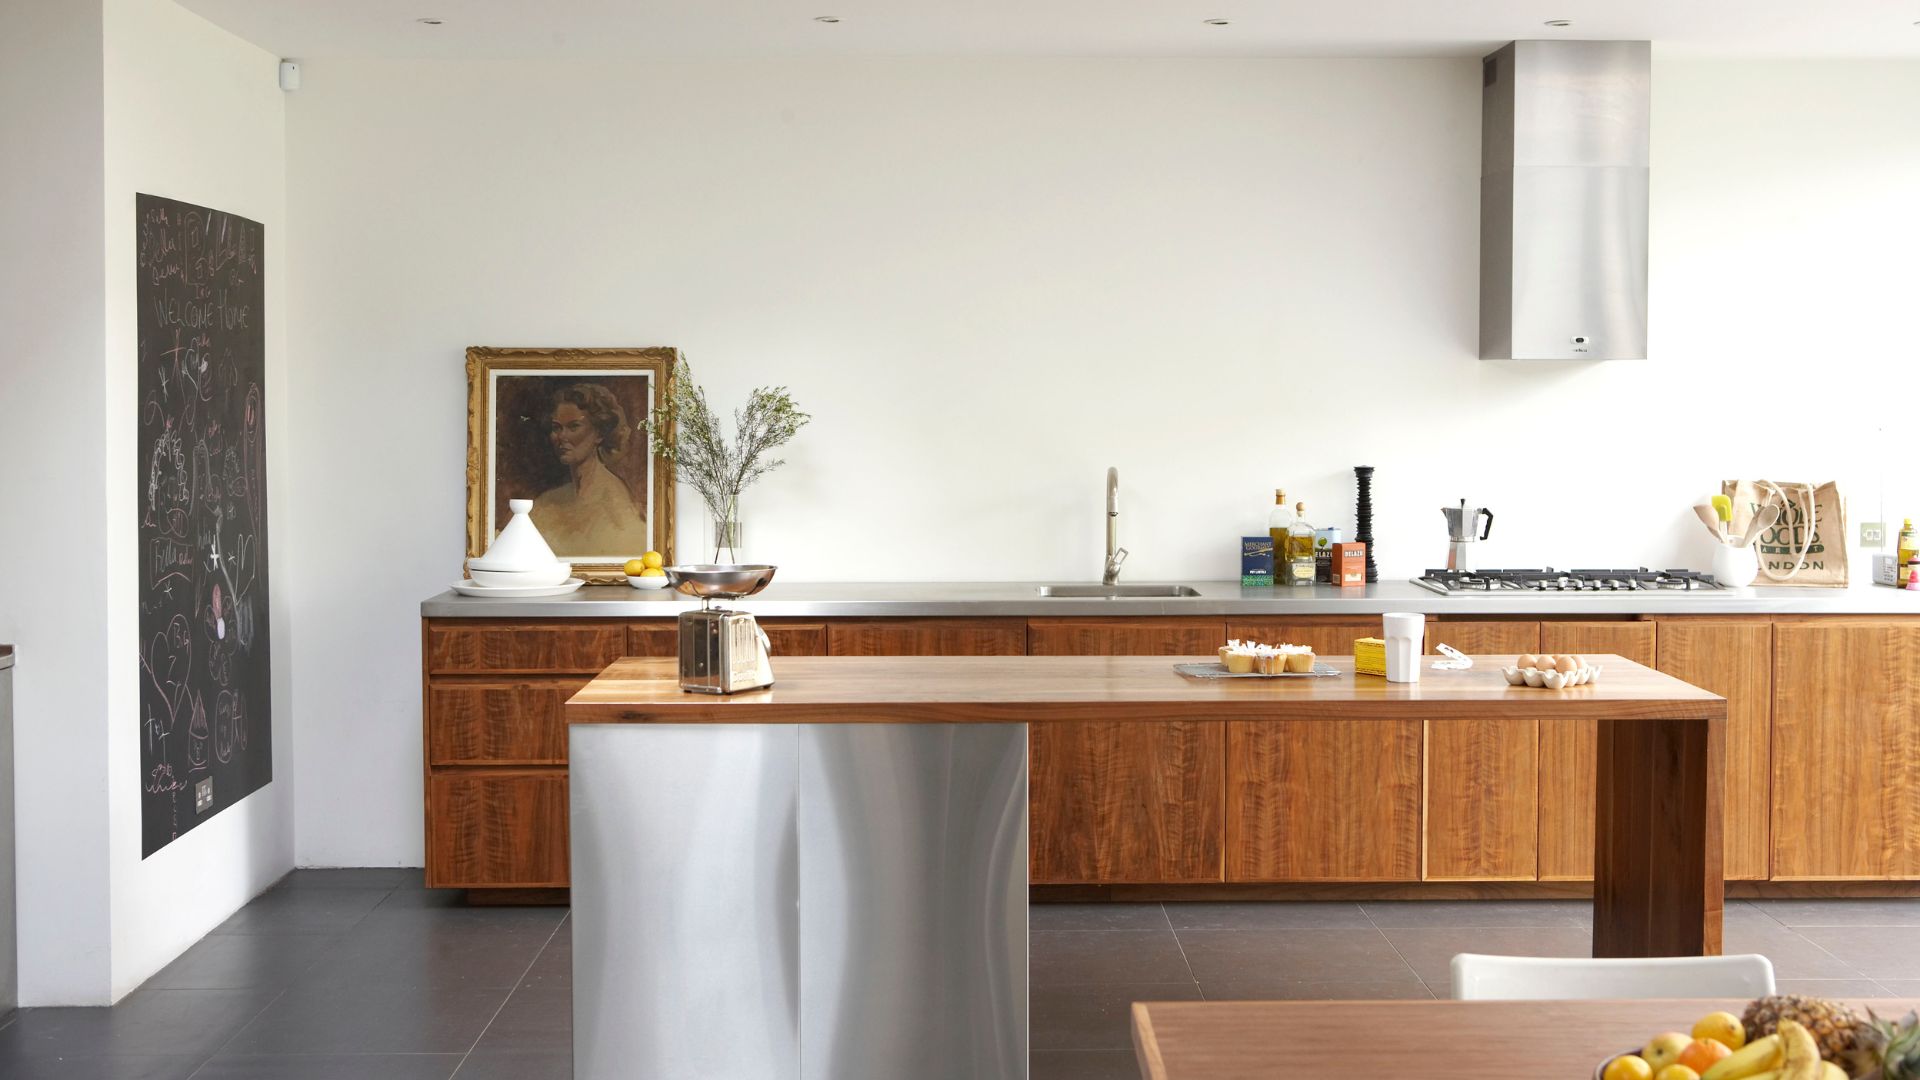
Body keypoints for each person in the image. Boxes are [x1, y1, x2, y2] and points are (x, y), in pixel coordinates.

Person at [529, 383, 649, 555]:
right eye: (557, 427)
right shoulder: (547, 501)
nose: (561, 437)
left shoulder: (616, 503)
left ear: (599, 433)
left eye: (573, 427)